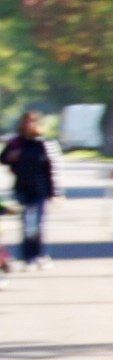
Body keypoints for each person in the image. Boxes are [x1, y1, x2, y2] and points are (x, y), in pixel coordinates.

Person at [3, 111, 58, 268]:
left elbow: (51, 168)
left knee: (37, 223)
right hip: (22, 188)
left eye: (33, 122)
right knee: (27, 223)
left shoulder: (43, 143)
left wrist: (55, 192)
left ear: (38, 125)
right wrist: (11, 157)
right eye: (26, 122)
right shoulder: (15, 143)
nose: (29, 125)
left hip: (41, 188)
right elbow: (4, 158)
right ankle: (28, 257)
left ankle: (40, 254)